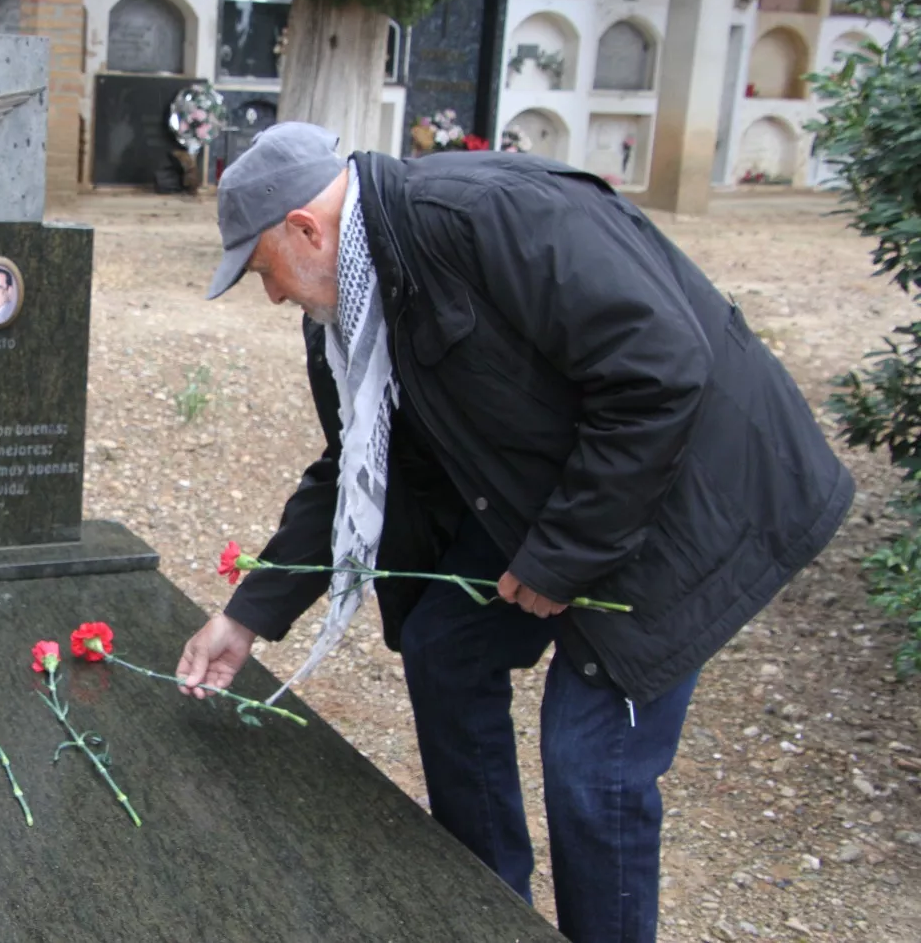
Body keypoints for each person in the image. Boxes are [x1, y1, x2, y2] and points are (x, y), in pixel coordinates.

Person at [176, 122, 852, 943]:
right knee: (445, 648)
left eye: (263, 271)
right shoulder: (347, 318)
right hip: (561, 488)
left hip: (688, 489)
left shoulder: (490, 215)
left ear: (306, 229)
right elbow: (357, 466)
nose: (274, 295)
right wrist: (249, 612)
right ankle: (491, 909)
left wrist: (560, 557)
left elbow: (662, 370)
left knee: (591, 767)